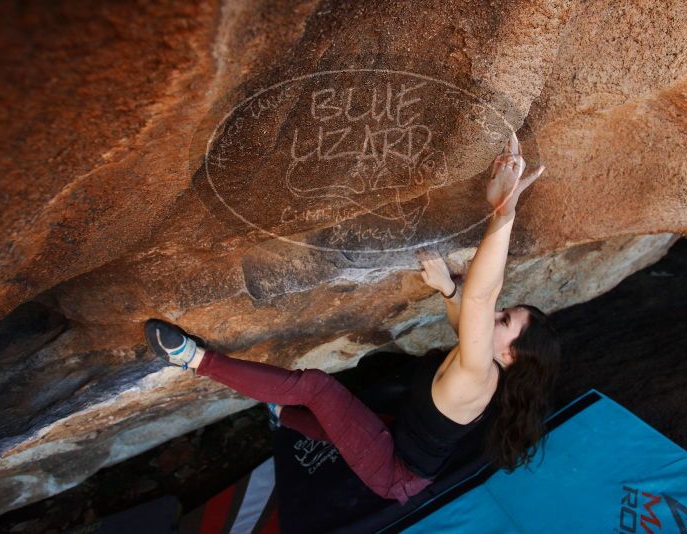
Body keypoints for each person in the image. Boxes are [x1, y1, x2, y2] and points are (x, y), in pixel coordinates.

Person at [144, 131, 561, 505]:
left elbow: (480, 299)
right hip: (402, 443)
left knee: (318, 389)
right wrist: (450, 290)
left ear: (510, 358)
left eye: (504, 322)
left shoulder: (479, 376)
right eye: (505, 312)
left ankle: (194, 361)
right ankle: (281, 416)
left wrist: (504, 211)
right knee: (346, 426)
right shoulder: (482, 361)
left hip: (395, 474)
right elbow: (467, 315)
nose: (495, 314)